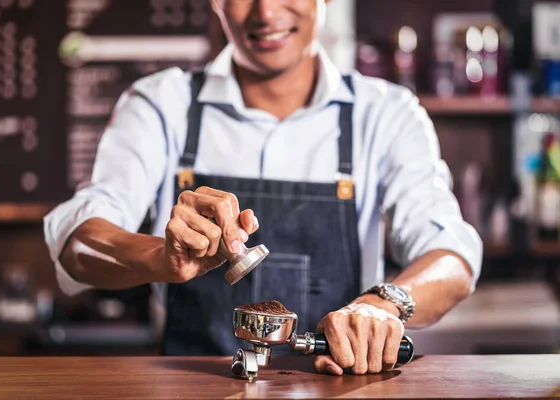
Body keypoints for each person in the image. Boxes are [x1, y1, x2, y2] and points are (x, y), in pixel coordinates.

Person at [44, 0, 482, 376]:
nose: (266, 12)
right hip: (190, 389)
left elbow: (450, 254)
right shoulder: (163, 104)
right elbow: (77, 239)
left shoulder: (385, 114)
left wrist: (382, 304)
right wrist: (160, 258)